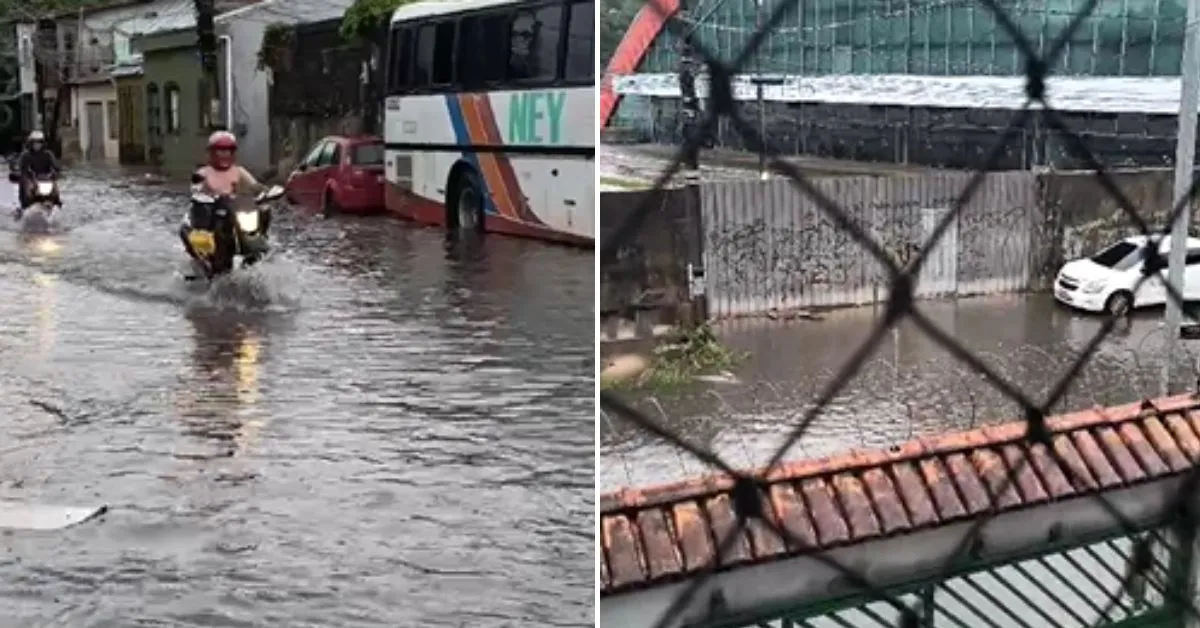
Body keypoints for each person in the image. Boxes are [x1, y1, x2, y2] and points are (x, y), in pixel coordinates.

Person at [181, 131, 270, 270]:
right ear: (212, 153)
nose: (224, 154)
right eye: (220, 151)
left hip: (235, 209)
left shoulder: (238, 171)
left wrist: (264, 191)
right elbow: (196, 188)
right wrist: (203, 193)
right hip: (215, 211)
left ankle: (258, 241)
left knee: (264, 210)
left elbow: (254, 185)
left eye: (228, 151)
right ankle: (209, 257)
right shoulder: (204, 172)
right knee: (207, 230)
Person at [11, 130, 60, 219]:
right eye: (35, 142)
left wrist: (56, 172)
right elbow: (21, 169)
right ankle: (23, 207)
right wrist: (20, 175)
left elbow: (56, 167)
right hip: (31, 181)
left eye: (39, 142)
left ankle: (58, 204)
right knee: (24, 184)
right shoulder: (25, 155)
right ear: (31, 143)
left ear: (43, 143)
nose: (37, 145)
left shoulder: (48, 154)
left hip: (46, 180)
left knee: (55, 189)